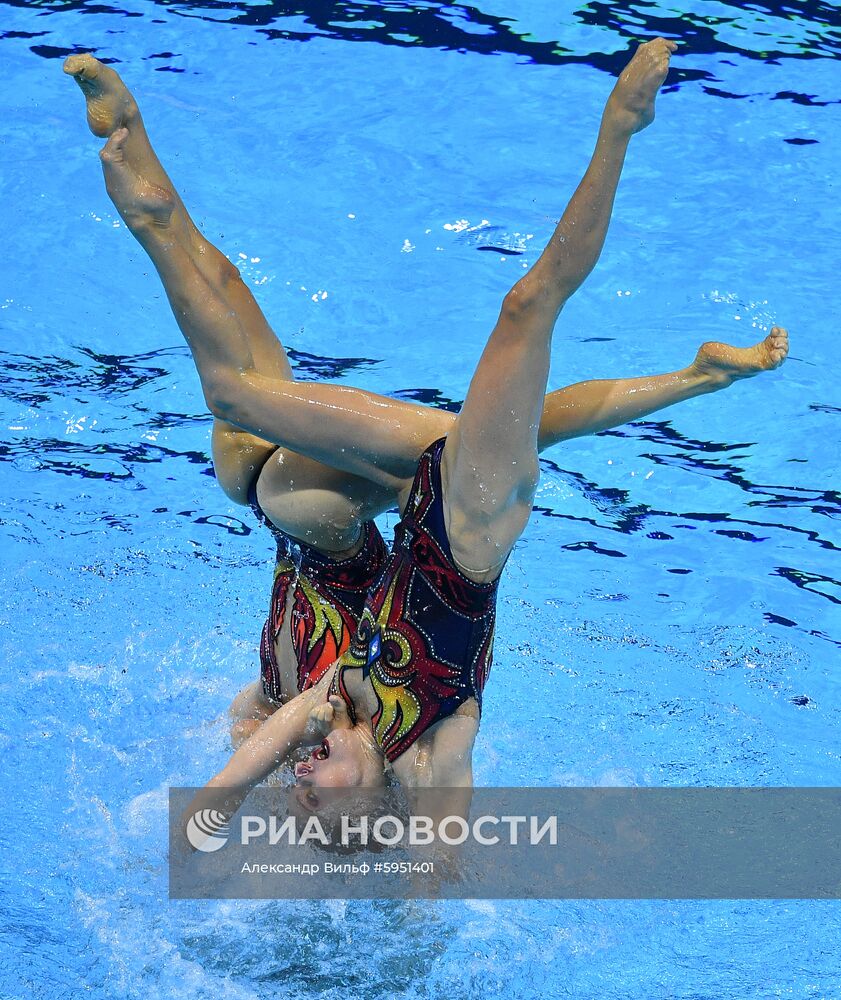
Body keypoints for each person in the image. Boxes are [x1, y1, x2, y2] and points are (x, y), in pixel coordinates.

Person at [66, 39, 788, 810]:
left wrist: (256, 772)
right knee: (525, 308)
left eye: (300, 790)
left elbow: (221, 791)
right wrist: (422, 890)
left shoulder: (312, 712)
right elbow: (436, 869)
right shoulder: (432, 757)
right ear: (378, 798)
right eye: (321, 793)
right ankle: (620, 129)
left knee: (250, 417)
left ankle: (141, 163)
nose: (306, 776)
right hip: (469, 530)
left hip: (382, 504)